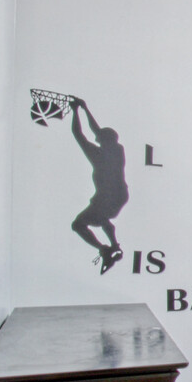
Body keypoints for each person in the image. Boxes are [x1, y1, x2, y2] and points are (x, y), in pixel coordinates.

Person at [69, 98, 129, 273]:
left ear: (102, 140)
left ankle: (106, 248)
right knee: (99, 217)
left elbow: (79, 134)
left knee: (79, 224)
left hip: (108, 195)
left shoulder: (96, 155)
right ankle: (112, 245)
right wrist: (85, 108)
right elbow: (97, 131)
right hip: (119, 194)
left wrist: (76, 112)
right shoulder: (118, 150)